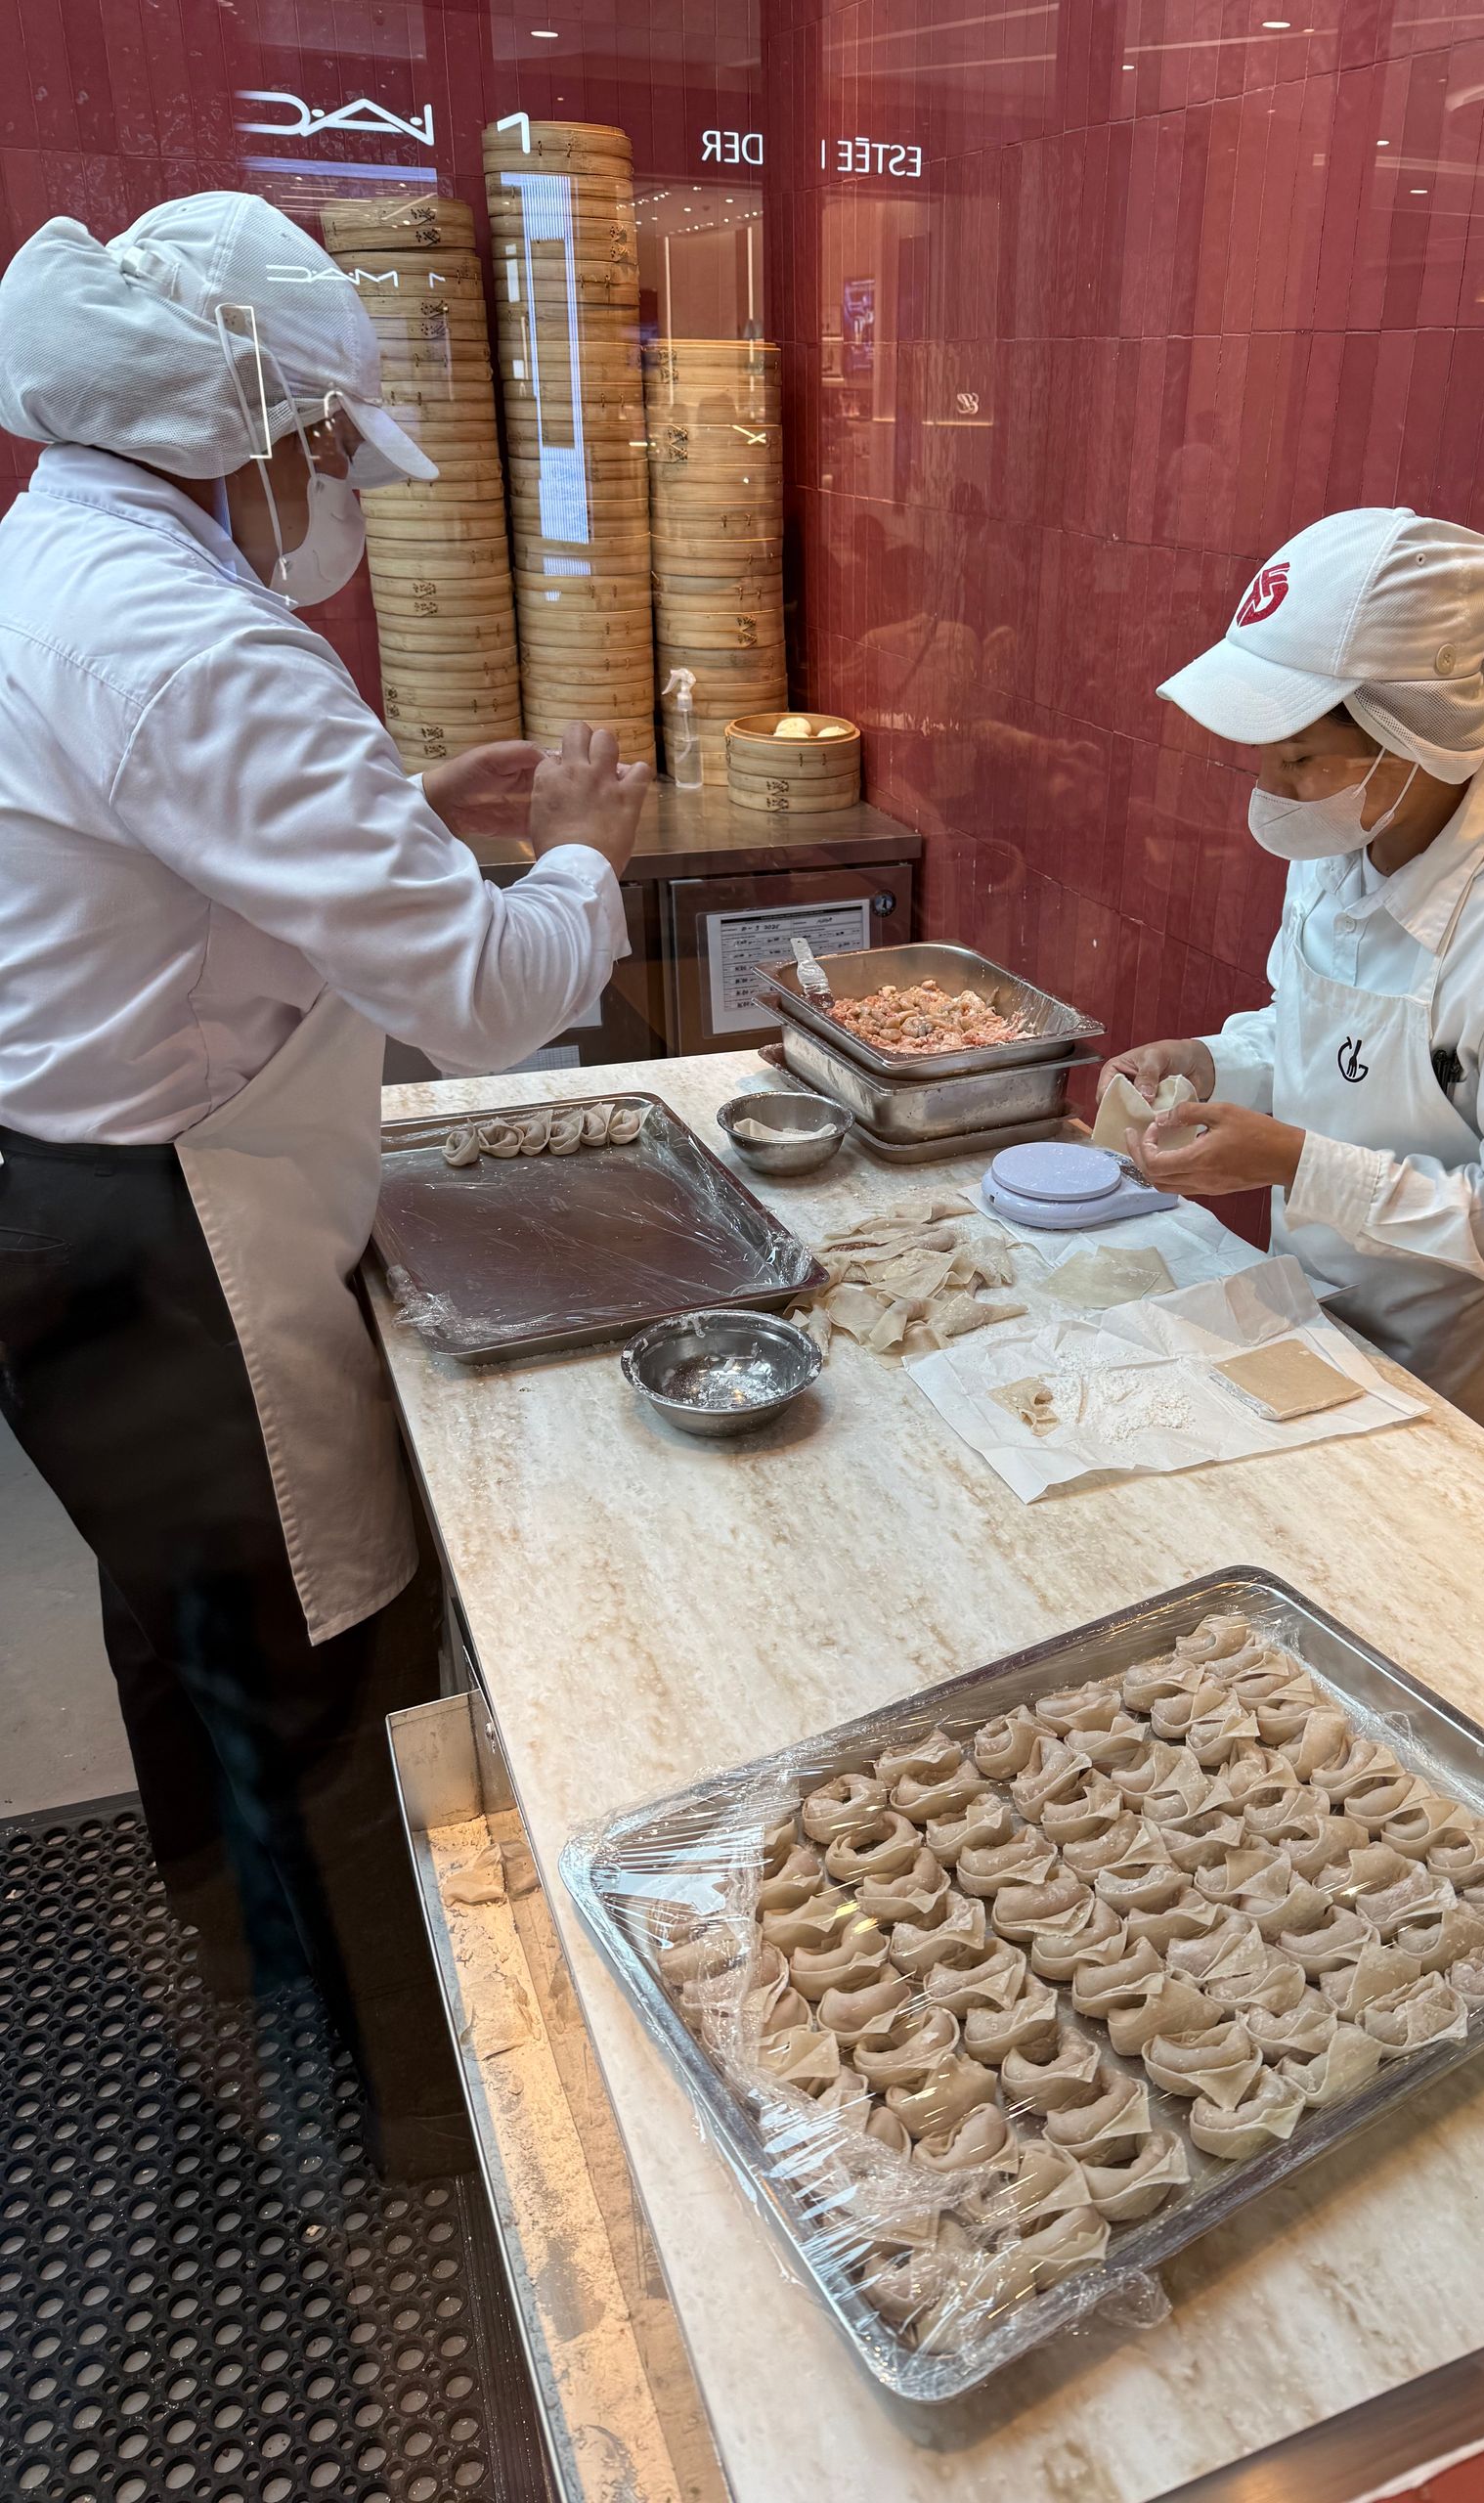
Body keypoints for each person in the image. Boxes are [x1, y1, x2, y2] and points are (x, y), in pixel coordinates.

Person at [0, 192, 649, 2173]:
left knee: (179, 1614)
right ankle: (407, 2106)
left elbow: (158, 855)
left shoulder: (53, 554)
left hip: (51, 1206)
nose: (340, 496)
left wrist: (397, 806)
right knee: (320, 1654)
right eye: (335, 452)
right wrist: (586, 853)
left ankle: (228, 1938)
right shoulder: (201, 646)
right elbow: (488, 1002)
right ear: (259, 425)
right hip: (169, 1231)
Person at [1102, 507, 1484, 1444]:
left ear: (1415, 733)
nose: (1271, 791)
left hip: (1435, 1372)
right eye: (1264, 757)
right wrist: (1211, 1062)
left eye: (1299, 759)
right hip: (1295, 1318)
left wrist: (1295, 1163)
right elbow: (1315, 1034)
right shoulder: (1344, 837)